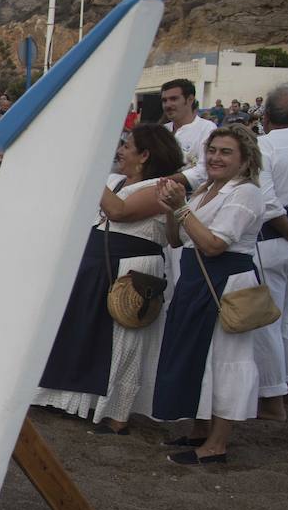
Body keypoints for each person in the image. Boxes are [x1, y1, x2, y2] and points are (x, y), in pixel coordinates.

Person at [34, 125, 183, 432]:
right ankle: (75, 401)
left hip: (132, 268)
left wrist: (91, 171)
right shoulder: (117, 182)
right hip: (101, 261)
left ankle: (118, 414)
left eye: (127, 147)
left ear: (144, 155)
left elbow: (119, 212)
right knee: (86, 332)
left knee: (124, 339)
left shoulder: (161, 187)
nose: (120, 151)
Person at [152, 125, 268, 464]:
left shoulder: (245, 193)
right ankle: (201, 429)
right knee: (199, 355)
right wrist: (171, 208)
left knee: (226, 360)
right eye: (213, 150)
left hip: (226, 281)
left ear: (245, 159)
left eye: (226, 152)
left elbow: (215, 244)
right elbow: (178, 240)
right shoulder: (206, 189)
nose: (216, 157)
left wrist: (183, 209)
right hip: (197, 278)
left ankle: (217, 445)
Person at [253, 84, 288, 418]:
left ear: (266, 117)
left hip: (274, 239)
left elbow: (267, 201)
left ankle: (273, 398)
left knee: (267, 320)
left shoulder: (263, 146)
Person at [160, 79, 215, 180]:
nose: (167, 105)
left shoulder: (207, 128)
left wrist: (163, 181)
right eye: (164, 100)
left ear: (190, 99)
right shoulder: (161, 131)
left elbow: (203, 171)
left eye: (173, 99)